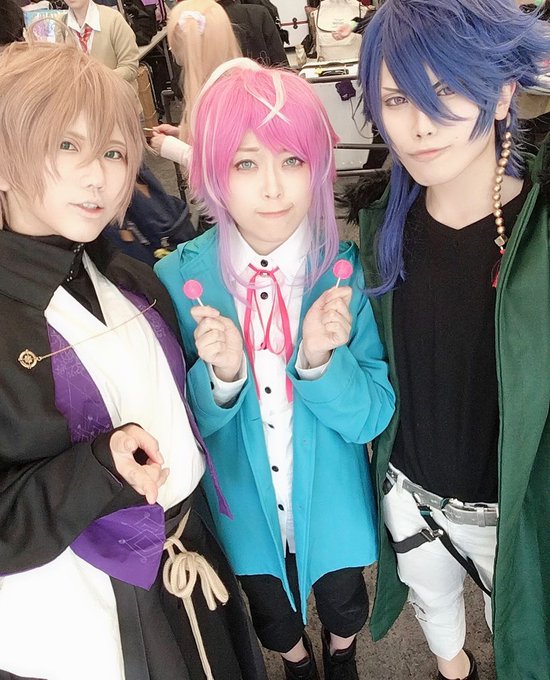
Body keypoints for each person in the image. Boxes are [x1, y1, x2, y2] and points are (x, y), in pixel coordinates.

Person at [0, 42, 267, 680]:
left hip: (187, 569)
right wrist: (97, 468)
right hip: (76, 624)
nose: (97, 175)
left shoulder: (132, 279)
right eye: (67, 145)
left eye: (114, 152)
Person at [156, 59, 395, 680]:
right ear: (212, 171)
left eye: (292, 160)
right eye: (245, 163)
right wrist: (222, 377)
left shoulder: (346, 272)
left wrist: (319, 361)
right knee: (272, 612)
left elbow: (373, 415)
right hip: (241, 507)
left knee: (345, 600)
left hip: (334, 501)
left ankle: (341, 654)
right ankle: (298, 663)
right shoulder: (177, 280)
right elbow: (173, 430)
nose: (273, 188)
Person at [347, 0, 550, 678]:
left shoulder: (540, 239)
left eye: (447, 88)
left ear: (503, 93)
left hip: (514, 516)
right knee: (434, 611)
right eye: (396, 98)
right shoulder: (380, 235)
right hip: (409, 496)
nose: (419, 124)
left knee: (522, 636)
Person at [149, 0, 241, 165]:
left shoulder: (220, 97)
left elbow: (222, 164)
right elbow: (215, 140)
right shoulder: (229, 84)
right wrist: (183, 134)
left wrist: (172, 148)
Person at [64, 0, 139, 86]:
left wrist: (99, 81)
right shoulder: (59, 25)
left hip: (114, 92)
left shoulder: (113, 19)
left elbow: (130, 67)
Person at [217, 0, 288, 66]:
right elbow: (279, 59)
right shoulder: (259, 12)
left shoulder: (212, 21)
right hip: (261, 69)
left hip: (225, 73)